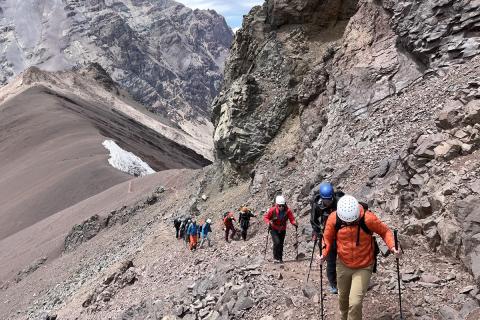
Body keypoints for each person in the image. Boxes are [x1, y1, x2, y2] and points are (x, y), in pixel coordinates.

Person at [318, 195, 401, 320]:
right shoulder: (333, 219)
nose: (349, 223)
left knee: (355, 302)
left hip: (364, 265)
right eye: (347, 222)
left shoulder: (367, 218)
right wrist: (323, 254)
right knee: (343, 299)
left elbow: (385, 231)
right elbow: (327, 238)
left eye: (352, 221)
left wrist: (393, 246)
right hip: (343, 263)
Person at [311, 182, 344, 293]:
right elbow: (313, 220)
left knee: (344, 258)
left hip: (340, 234)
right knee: (330, 260)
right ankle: (333, 284)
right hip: (325, 235)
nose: (328, 202)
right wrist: (317, 231)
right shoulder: (317, 204)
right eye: (326, 200)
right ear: (321, 197)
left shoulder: (339, 201)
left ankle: (345, 281)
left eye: (330, 199)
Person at [263, 195, 298, 263]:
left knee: (281, 243)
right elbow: (266, 217)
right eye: (279, 205)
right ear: (276, 205)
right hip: (273, 228)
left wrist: (294, 223)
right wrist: (268, 223)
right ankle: (276, 258)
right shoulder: (272, 210)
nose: (281, 207)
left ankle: (280, 258)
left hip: (282, 229)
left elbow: (292, 219)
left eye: (282, 205)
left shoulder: (288, 211)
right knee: (277, 242)